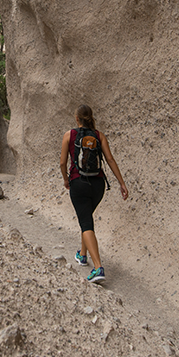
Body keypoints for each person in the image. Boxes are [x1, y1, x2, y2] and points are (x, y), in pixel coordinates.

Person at [59, 104, 129, 284]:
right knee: (86, 218)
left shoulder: (69, 135)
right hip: (98, 185)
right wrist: (121, 183)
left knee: (85, 222)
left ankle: (98, 267)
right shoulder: (99, 136)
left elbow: (62, 162)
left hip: (78, 183)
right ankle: (82, 255)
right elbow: (110, 159)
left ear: (77, 119)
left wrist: (66, 179)